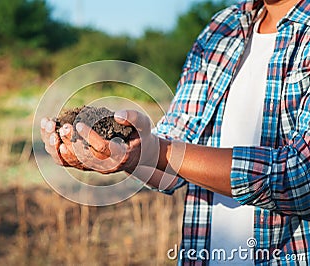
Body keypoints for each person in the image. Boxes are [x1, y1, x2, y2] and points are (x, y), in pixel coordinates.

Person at [41, 0, 310, 264]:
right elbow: (176, 153)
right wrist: (134, 154)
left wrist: (160, 151)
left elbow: (302, 179)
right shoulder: (223, 28)